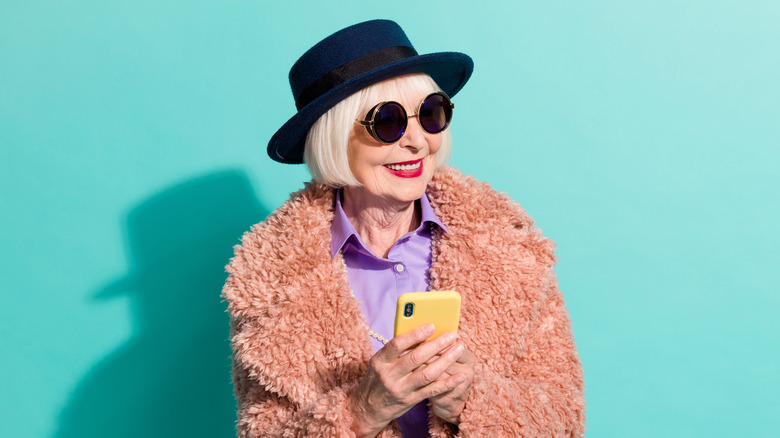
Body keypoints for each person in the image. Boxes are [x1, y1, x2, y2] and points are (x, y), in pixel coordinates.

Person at [222, 20, 585, 437]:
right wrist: (360, 412)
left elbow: (564, 417)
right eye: (389, 121)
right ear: (335, 138)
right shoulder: (268, 282)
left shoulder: (509, 244)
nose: (416, 140)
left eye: (430, 113)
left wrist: (472, 401)